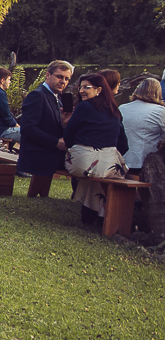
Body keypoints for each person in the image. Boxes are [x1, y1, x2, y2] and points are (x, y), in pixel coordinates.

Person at [64, 74, 129, 226]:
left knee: (91, 170)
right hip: (109, 165)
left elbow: (68, 137)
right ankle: (100, 216)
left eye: (86, 87)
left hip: (82, 163)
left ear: (99, 89)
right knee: (98, 171)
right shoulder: (115, 109)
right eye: (80, 87)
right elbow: (124, 145)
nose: (81, 91)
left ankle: (89, 215)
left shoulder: (83, 107)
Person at [16, 60, 73, 185]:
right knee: (83, 163)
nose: (63, 81)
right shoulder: (37, 95)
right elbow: (27, 128)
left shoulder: (56, 96)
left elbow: (50, 126)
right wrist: (56, 143)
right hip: (39, 154)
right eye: (59, 77)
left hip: (48, 151)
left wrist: (64, 123)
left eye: (67, 79)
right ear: (48, 75)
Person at [119, 78, 165, 174]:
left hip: (122, 161)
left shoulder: (122, 108)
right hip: (146, 164)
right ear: (158, 93)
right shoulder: (160, 111)